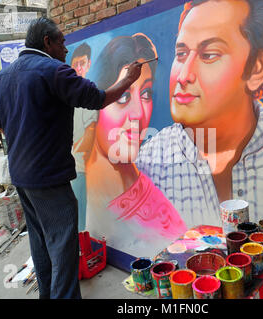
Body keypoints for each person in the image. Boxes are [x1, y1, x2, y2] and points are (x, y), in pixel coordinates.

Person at [0, 17, 143, 299]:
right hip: (48, 176)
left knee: (41, 242)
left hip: (21, 176)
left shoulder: (2, 78)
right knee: (63, 247)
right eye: (61, 42)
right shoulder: (53, 70)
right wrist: (127, 80)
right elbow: (97, 99)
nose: (66, 50)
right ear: (47, 42)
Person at [136, 0, 263, 238]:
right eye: (181, 54)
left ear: (259, 67)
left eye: (209, 55)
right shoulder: (149, 163)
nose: (183, 76)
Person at [73, 34, 187, 258]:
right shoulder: (83, 197)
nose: (138, 114)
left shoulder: (152, 192)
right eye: (123, 97)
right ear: (95, 106)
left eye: (146, 94)